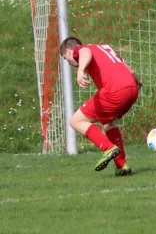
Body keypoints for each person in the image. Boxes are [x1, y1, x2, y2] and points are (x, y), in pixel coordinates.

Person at [60, 36, 142, 175]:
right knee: (108, 122)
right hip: (132, 89)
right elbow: (131, 70)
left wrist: (80, 70)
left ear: (68, 51)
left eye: (66, 59)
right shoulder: (105, 49)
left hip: (114, 90)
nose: (69, 63)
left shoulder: (81, 50)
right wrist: (138, 82)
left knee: (76, 121)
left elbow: (85, 52)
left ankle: (107, 148)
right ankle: (122, 166)